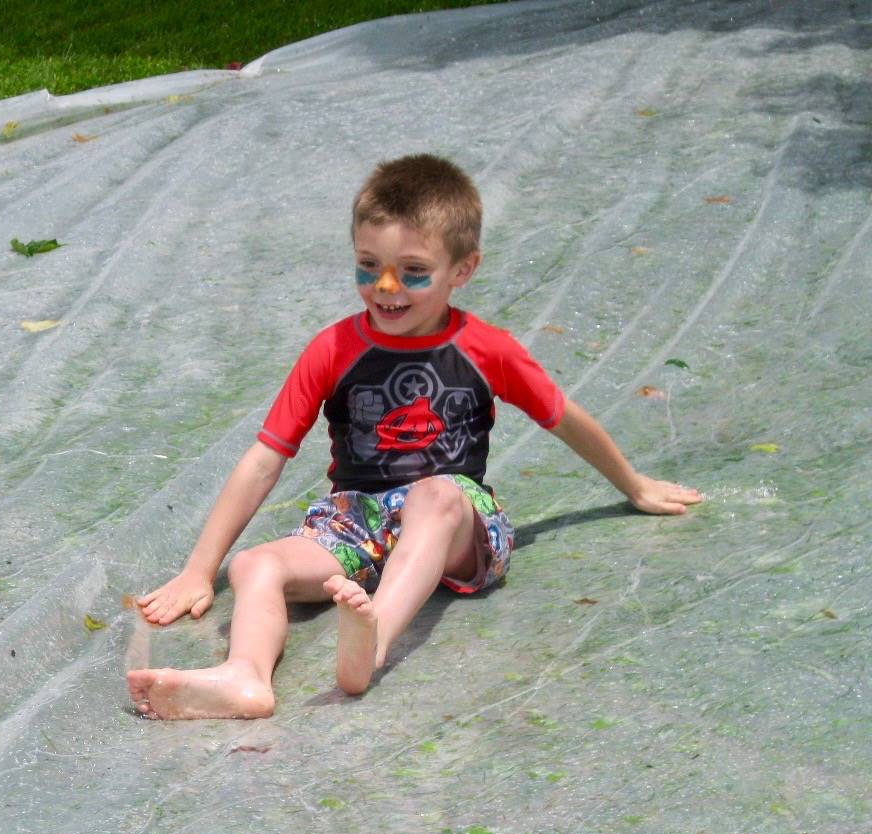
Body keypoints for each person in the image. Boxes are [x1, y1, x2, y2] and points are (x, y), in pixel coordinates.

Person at [127, 154, 702, 720]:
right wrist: (203, 569)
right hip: (357, 519)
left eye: (413, 271)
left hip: (454, 521)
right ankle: (245, 677)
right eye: (367, 265)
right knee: (255, 565)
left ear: (463, 269)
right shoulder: (332, 349)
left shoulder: (486, 349)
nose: (385, 286)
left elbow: (563, 417)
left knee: (436, 494)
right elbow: (264, 460)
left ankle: (371, 643)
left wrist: (635, 485)